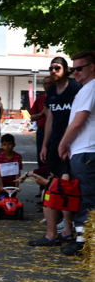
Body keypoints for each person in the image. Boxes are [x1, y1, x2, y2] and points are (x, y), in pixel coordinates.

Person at [57, 51, 95, 256]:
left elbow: (78, 122)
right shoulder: (85, 89)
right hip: (83, 150)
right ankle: (82, 240)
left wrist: (63, 144)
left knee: (87, 198)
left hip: (87, 151)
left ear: (92, 67)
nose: (75, 72)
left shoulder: (91, 88)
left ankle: (83, 243)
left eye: (79, 68)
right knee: (82, 197)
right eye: (73, 69)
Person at [0, 134, 23, 213]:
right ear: (2, 146)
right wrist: (2, 185)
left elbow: (17, 172)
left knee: (13, 194)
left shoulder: (17, 157)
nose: (7, 146)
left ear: (14, 145)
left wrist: (17, 186)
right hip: (2, 179)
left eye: (9, 144)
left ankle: (13, 208)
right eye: (5, 145)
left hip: (13, 179)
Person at [29, 76, 52, 167]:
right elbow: (32, 117)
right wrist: (41, 114)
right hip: (42, 131)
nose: (48, 86)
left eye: (50, 83)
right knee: (42, 156)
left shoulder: (60, 98)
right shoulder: (40, 99)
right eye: (45, 84)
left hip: (56, 132)